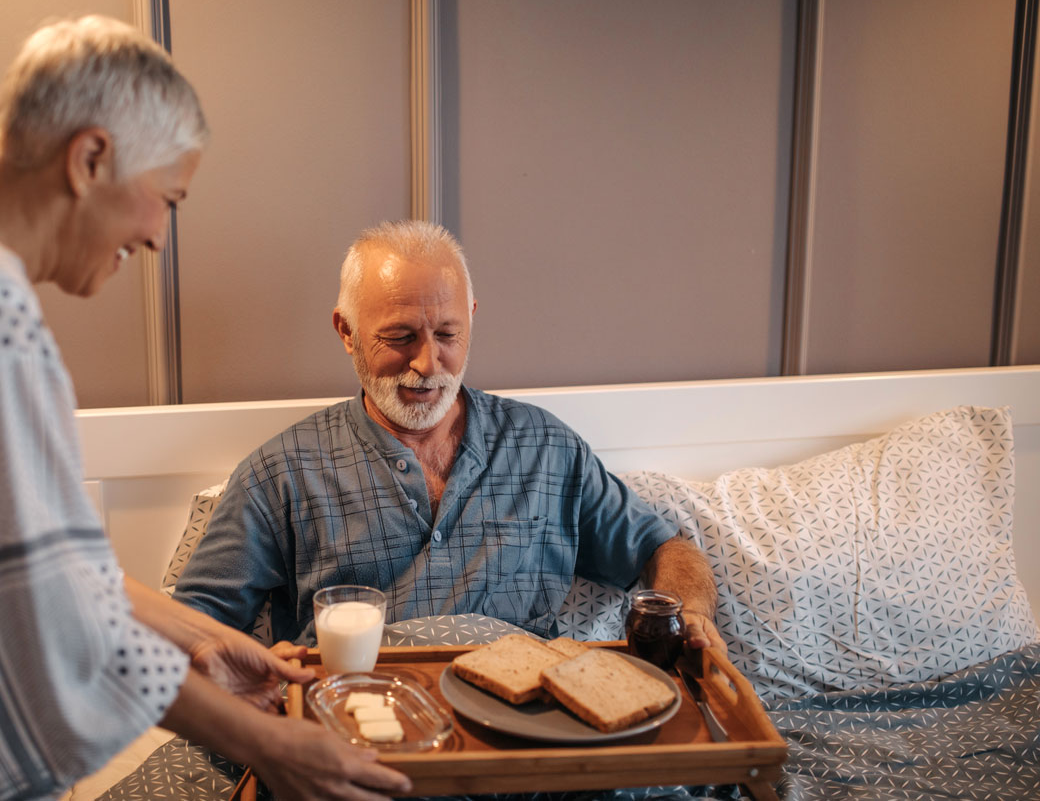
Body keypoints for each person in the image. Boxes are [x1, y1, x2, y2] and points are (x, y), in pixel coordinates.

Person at [0, 16, 409, 801]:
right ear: (91, 158)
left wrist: (205, 637)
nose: (160, 237)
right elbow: (43, 613)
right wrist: (271, 744)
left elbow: (34, 556)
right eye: (167, 197)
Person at [174, 220, 724, 653]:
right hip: (356, 740)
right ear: (346, 331)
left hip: (524, 743)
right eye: (400, 336)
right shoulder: (281, 473)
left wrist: (690, 611)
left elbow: (662, 548)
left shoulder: (547, 449)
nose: (427, 362)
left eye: (447, 334)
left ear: (472, 319)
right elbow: (191, 625)